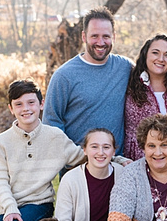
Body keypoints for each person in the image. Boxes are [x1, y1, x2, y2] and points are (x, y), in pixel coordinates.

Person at [0, 79, 85, 221]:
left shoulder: (55, 137)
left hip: (39, 203)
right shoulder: (2, 141)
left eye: (31, 102)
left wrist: (117, 160)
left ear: (41, 104)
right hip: (9, 207)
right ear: (11, 108)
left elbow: (82, 156)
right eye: (19, 104)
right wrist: (9, 208)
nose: (26, 109)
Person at [43, 8, 133, 150]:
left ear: (113, 37)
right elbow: (51, 122)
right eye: (94, 36)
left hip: (118, 166)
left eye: (106, 36)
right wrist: (73, 157)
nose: (100, 42)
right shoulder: (64, 76)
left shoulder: (125, 67)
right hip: (77, 167)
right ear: (84, 37)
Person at [123, 34, 167, 160]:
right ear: (146, 55)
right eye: (155, 53)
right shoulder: (129, 86)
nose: (161, 59)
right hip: (140, 165)